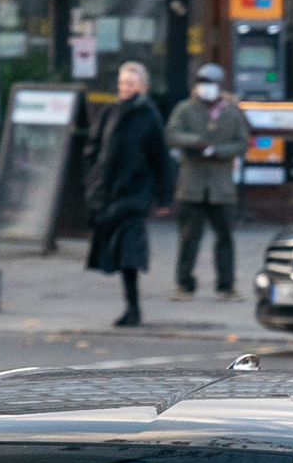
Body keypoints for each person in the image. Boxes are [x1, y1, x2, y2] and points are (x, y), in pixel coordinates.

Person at [84, 61, 174, 328]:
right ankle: (131, 307)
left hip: (135, 193)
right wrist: (92, 179)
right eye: (122, 83)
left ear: (142, 86)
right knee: (117, 251)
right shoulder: (109, 112)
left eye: (131, 84)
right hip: (109, 192)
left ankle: (133, 309)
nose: (125, 88)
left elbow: (162, 159)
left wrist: (164, 197)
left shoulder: (149, 116)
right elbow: (94, 147)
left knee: (130, 252)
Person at [166, 63, 252, 302]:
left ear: (220, 86)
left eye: (211, 84)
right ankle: (184, 284)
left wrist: (219, 151)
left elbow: (242, 143)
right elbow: (172, 134)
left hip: (221, 187)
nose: (206, 88)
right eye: (202, 83)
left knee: (225, 237)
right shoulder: (185, 109)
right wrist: (196, 142)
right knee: (188, 237)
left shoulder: (232, 112)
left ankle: (226, 285)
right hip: (191, 185)